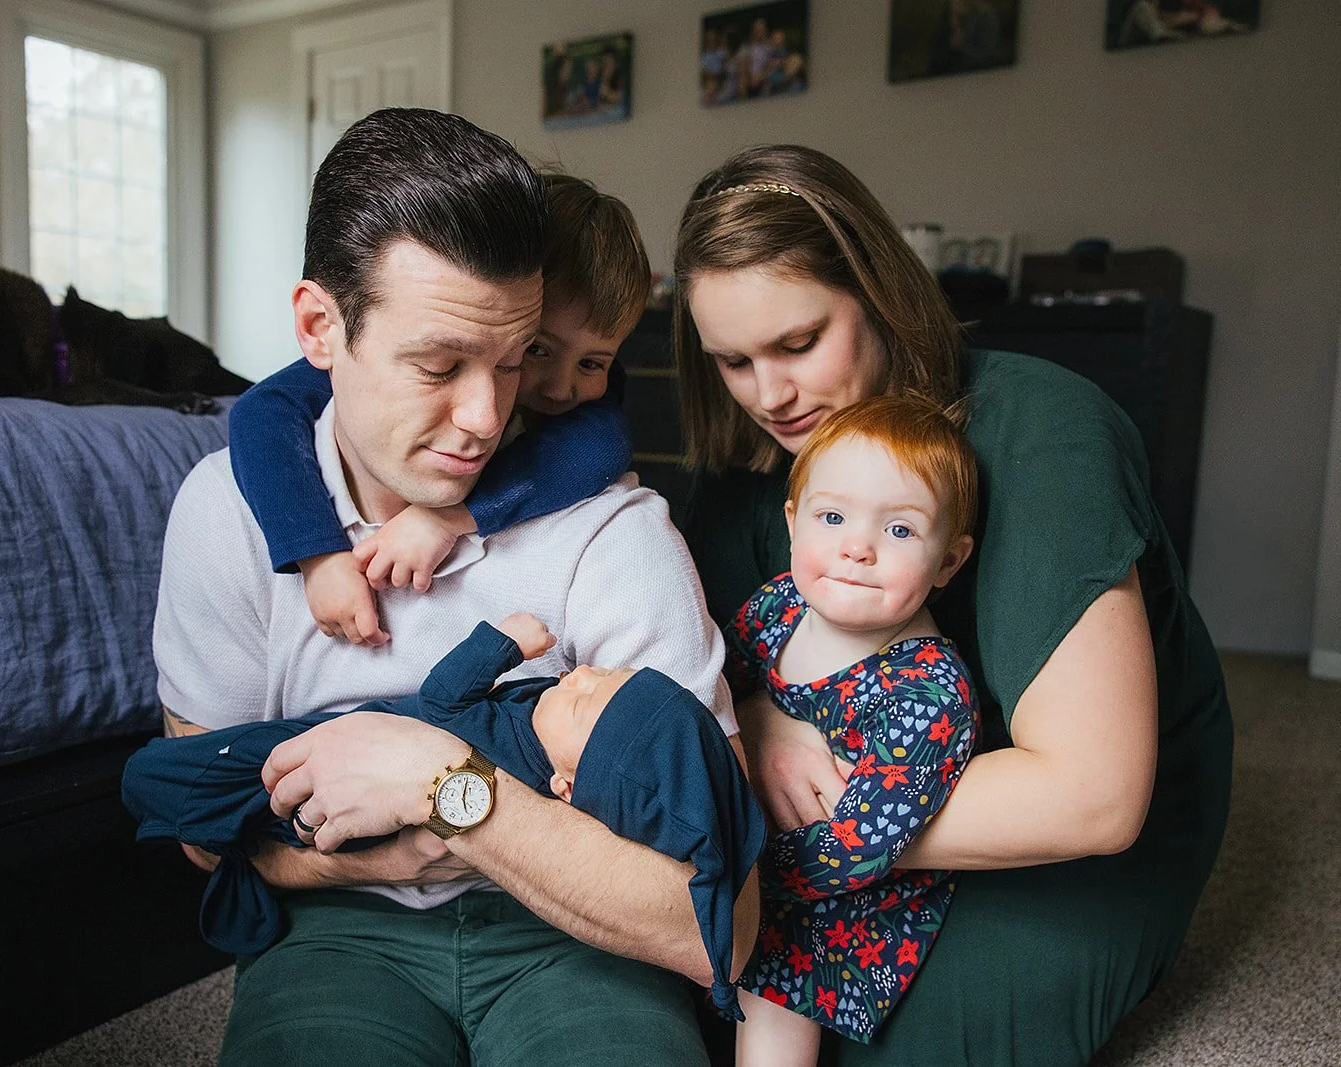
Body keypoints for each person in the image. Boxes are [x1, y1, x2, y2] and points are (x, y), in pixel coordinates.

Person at [153, 107, 755, 1067]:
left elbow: (717, 924)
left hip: (573, 928)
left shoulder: (614, 525)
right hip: (337, 926)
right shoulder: (228, 508)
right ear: (319, 326)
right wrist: (393, 854)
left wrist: (446, 793)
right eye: (439, 365)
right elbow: (197, 827)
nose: (488, 416)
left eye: (516, 360)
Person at [673, 147, 1232, 1065]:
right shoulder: (748, 468)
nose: (769, 394)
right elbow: (721, 667)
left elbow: (1091, 799)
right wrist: (761, 725)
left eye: (800, 342)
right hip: (842, 812)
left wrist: (773, 847)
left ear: (877, 290)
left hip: (1050, 825)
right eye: (733, 360)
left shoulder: (1047, 429)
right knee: (675, 1004)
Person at [125, 612, 765, 1019]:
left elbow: (442, 694)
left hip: (319, 776)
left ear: (570, 788)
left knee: (170, 777)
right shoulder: (556, 771)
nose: (581, 673)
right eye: (606, 674)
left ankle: (163, 794)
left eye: (585, 700)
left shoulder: (511, 744)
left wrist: (501, 646)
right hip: (338, 865)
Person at [226, 173, 648, 646]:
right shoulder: (367, 357)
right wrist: (319, 558)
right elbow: (262, 410)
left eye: (592, 363)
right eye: (536, 351)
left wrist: (446, 518)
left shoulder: (599, 442)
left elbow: (601, 445)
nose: (560, 389)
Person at [724, 395, 980, 1063]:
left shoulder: (926, 692)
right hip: (737, 842)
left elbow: (857, 849)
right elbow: (714, 682)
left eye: (899, 530)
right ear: (793, 521)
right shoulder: (779, 604)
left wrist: (730, 862)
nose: (857, 547)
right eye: (832, 516)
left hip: (834, 907)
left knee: (773, 1004)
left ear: (948, 561)